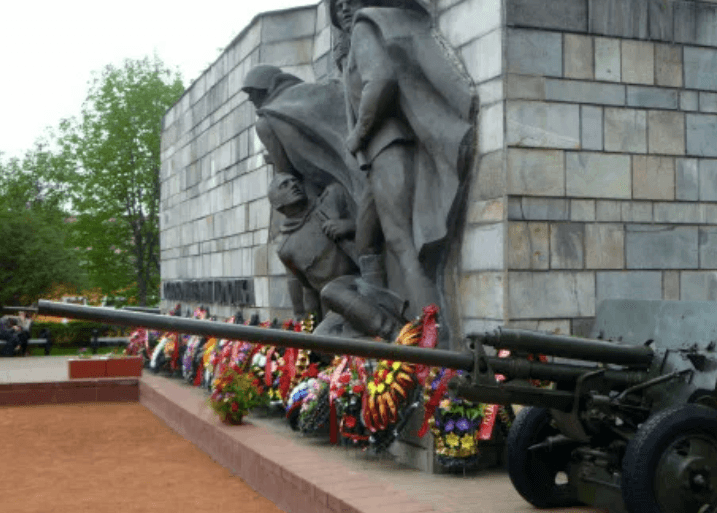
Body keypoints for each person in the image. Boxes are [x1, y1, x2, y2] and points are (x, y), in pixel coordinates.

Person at [330, 0, 476, 318]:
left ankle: (434, 335)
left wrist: (358, 135)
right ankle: (389, 317)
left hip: (387, 146)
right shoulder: (354, 38)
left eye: (349, 0)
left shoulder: (363, 27)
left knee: (402, 244)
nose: (343, 8)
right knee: (367, 239)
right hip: (377, 155)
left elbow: (381, 80)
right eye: (337, 3)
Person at [269, 173, 406, 341]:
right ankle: (378, 356)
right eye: (285, 185)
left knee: (331, 290)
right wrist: (307, 327)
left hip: (362, 282)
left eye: (294, 181)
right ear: (276, 203)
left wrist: (350, 226)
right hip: (338, 307)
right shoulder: (285, 249)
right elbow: (309, 291)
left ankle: (397, 334)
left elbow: (372, 219)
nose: (293, 185)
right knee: (319, 340)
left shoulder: (332, 197)